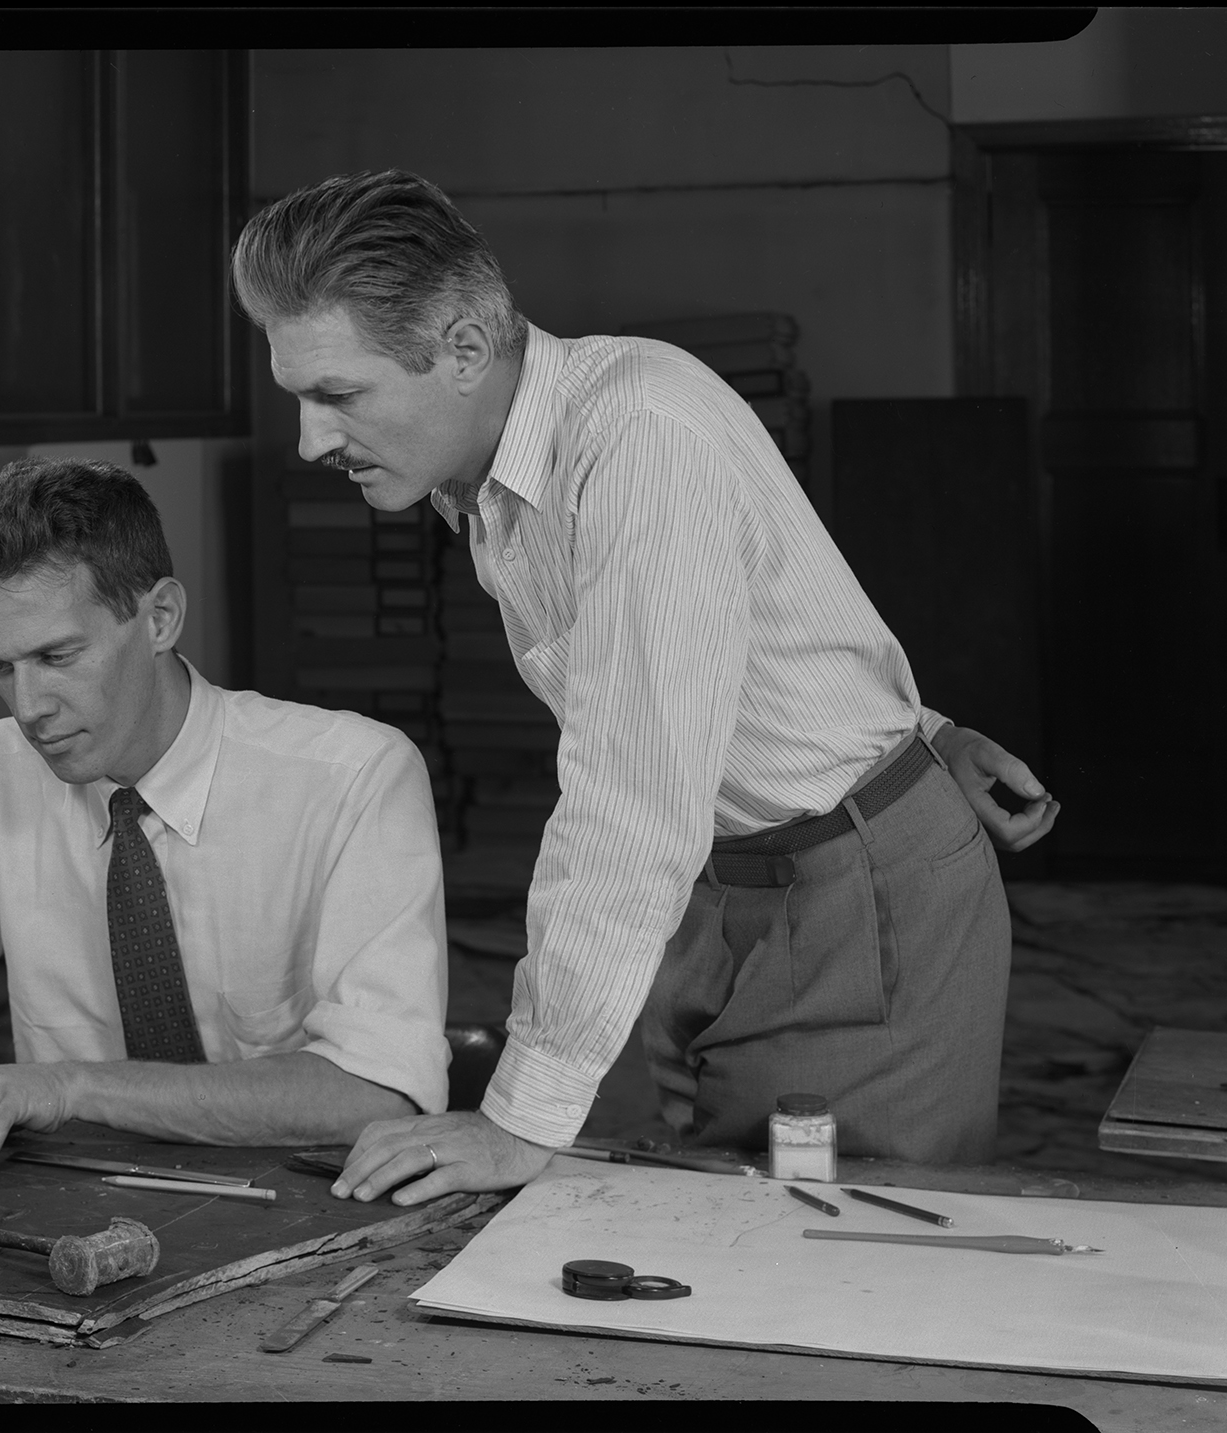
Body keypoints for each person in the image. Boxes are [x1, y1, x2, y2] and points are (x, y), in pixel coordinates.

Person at [229, 170, 1062, 1205]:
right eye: (295, 396)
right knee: (717, 1212)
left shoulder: (636, 442)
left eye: (336, 395)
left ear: (463, 347)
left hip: (851, 898)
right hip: (727, 884)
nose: (308, 440)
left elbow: (630, 797)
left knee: (837, 1240)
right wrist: (924, 727)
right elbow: (764, 611)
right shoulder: (487, 471)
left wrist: (518, 1114)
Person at [0, 456, 448, 1179]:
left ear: (160, 616)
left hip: (299, 1201)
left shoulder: (354, 775)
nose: (28, 707)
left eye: (57, 656)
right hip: (79, 1201)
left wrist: (69, 1087)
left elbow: (375, 1090)